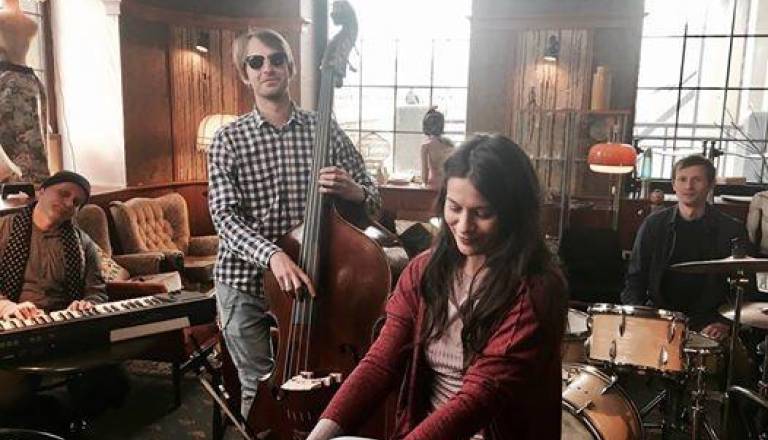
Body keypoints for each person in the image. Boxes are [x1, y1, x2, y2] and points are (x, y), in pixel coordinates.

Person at [308, 134, 568, 440]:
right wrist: (319, 436)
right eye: (454, 207)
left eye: (482, 213)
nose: (464, 226)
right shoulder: (423, 270)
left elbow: (478, 397)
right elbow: (380, 364)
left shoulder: (537, 290)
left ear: (514, 213)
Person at [207, 28, 380, 419]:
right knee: (258, 384)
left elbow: (373, 196)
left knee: (318, 379)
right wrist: (272, 256)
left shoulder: (325, 129)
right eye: (256, 62)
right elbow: (224, 217)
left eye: (277, 59)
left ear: (291, 67)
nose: (267, 68)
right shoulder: (227, 139)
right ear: (245, 74)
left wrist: (355, 191)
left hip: (311, 282)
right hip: (245, 281)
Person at [0, 170, 128, 432]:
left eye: (77, 202)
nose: (70, 203)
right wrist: (9, 307)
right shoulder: (3, 229)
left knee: (114, 385)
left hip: (64, 326)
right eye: (64, 194)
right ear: (41, 192)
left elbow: (96, 291)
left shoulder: (83, 242)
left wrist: (86, 303)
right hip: (12, 328)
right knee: (7, 401)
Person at [622, 155, 749, 339]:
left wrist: (724, 323)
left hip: (709, 324)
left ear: (710, 184)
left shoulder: (731, 229)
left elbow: (745, 288)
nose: (688, 186)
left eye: (696, 180)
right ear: (673, 185)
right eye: (682, 179)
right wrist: (640, 316)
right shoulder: (654, 225)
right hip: (660, 318)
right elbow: (635, 280)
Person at [0, 0, 49, 184]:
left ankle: (29, 184)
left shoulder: (19, 22)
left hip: (14, 86)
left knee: (24, 142)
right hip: (24, 83)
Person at [420, 108, 454, 187]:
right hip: (450, 185)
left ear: (426, 126)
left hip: (434, 186)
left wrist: (422, 182)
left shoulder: (426, 146)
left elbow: (424, 177)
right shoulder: (450, 144)